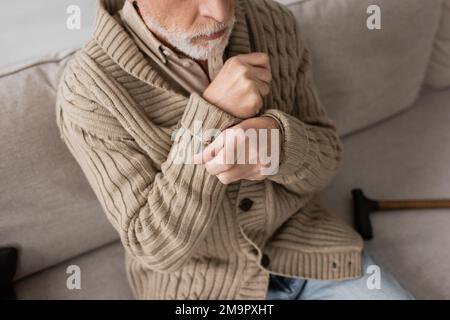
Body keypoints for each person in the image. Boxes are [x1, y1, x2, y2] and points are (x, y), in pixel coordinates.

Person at [55, 0, 414, 300]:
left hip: (311, 255)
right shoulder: (88, 92)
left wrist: (282, 144)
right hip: (204, 292)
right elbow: (154, 247)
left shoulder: (271, 22)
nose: (221, 12)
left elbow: (327, 161)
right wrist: (211, 117)